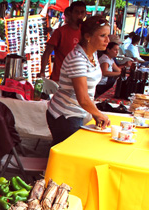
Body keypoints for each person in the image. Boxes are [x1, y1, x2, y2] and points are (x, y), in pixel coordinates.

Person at [46, 15, 110, 145]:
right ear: (88, 37)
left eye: (108, 35)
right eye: (102, 36)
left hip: (76, 113)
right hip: (65, 115)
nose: (107, 40)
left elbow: (89, 92)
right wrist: (99, 114)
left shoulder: (93, 55)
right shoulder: (77, 59)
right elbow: (83, 98)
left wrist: (95, 113)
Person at [40, 1, 87, 82]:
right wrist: (42, 71)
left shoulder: (86, 32)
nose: (79, 15)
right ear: (71, 13)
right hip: (60, 78)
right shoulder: (60, 32)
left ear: (85, 14)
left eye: (82, 12)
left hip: (80, 77)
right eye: (76, 12)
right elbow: (47, 52)